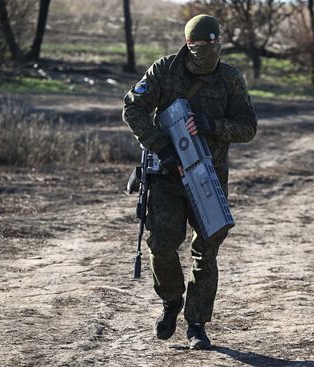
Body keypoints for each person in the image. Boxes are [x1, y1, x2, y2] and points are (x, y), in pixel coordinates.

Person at [122, 14, 257, 350]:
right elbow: (133, 108)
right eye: (202, 45)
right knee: (162, 246)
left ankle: (196, 324)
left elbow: (248, 127)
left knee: (205, 252)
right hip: (167, 177)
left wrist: (210, 124)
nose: (210, 50)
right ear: (188, 44)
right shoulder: (164, 71)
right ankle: (171, 301)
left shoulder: (229, 79)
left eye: (215, 43)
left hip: (208, 180)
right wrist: (161, 145)